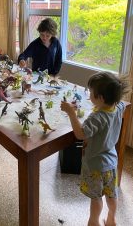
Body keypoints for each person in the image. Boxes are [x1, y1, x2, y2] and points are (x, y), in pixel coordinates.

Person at [60, 71, 130, 226]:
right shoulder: (118, 108)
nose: (89, 95)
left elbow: (80, 134)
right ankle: (111, 219)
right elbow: (119, 105)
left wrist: (71, 112)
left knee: (96, 197)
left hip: (95, 166)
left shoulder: (97, 117)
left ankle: (93, 222)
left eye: (91, 93)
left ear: (101, 98)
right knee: (112, 195)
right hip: (111, 162)